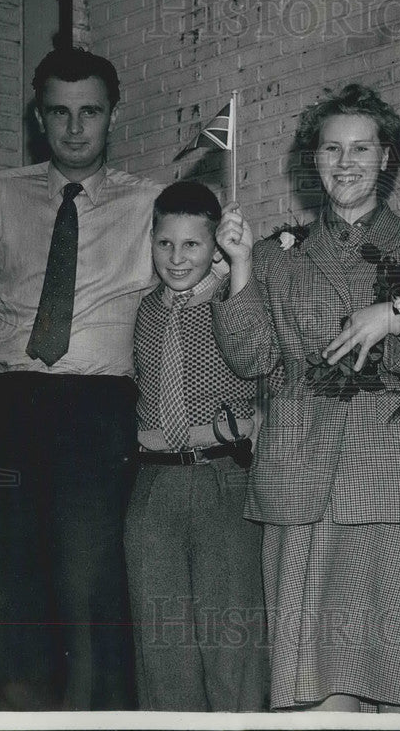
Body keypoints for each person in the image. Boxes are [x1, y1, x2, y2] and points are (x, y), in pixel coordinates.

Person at [211, 84, 400, 713]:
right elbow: (252, 360)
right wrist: (240, 268)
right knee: (318, 703)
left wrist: (399, 318)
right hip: (306, 488)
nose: (346, 161)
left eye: (362, 147)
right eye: (332, 148)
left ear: (387, 157)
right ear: (316, 158)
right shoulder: (276, 254)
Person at [0, 47, 160, 709]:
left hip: (99, 418)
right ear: (39, 118)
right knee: (3, 608)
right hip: (3, 414)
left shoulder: (149, 205)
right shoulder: (1, 195)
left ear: (112, 115)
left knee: (90, 603)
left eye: (90, 112)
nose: (75, 128)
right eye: (59, 113)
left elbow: (193, 300)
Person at [123, 181, 269, 711]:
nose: (177, 257)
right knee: (162, 646)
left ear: (215, 247)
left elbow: (257, 355)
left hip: (222, 478)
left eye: (193, 245)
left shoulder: (236, 297)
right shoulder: (144, 310)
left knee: (232, 641)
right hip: (154, 482)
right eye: (166, 243)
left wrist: (242, 262)